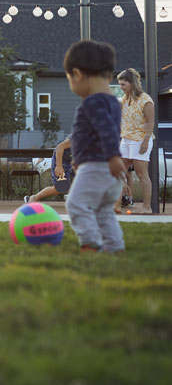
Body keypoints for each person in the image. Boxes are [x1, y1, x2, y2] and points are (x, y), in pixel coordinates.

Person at [62, 40, 126, 253]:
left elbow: (106, 130)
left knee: (76, 204)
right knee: (103, 210)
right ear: (109, 76)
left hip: (99, 166)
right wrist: (79, 159)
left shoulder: (92, 102)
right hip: (107, 169)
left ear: (77, 75)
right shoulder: (114, 103)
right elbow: (94, 135)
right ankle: (114, 246)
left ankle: (90, 242)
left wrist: (113, 156)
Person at [116, 68, 156, 213]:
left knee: (141, 173)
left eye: (123, 85)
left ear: (132, 83)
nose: (121, 88)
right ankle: (116, 204)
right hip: (126, 139)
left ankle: (147, 207)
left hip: (140, 139)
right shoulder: (126, 99)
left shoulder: (145, 100)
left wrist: (146, 141)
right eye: (120, 84)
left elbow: (151, 122)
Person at [25, 136, 72, 205]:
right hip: (61, 159)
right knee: (63, 187)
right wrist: (59, 166)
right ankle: (34, 198)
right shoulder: (79, 136)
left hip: (74, 160)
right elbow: (60, 147)